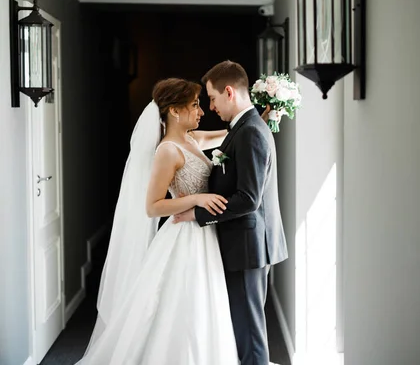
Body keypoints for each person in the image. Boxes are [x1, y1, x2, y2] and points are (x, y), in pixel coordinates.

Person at [78, 78, 245, 364]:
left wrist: (255, 119)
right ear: (175, 111)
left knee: (203, 303)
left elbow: (227, 135)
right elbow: (153, 207)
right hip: (183, 235)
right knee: (181, 303)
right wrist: (196, 199)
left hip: (202, 234)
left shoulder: (191, 139)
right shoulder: (167, 150)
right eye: (194, 105)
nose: (201, 111)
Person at [174, 61, 288, 365]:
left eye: (212, 98)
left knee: (249, 333)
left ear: (228, 92)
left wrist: (198, 214)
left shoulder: (250, 131)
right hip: (243, 244)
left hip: (247, 246)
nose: (210, 107)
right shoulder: (244, 127)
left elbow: (248, 199)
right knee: (242, 326)